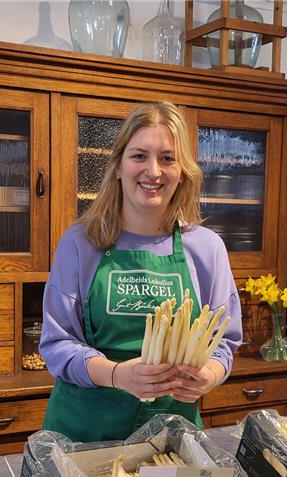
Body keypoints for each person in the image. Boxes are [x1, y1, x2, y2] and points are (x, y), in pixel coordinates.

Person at [40, 101, 243, 441]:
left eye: (167, 158)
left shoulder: (207, 248)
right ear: (118, 166)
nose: (154, 171)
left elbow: (223, 341)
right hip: (85, 431)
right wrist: (118, 374)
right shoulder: (80, 243)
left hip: (172, 433)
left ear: (183, 172)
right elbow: (58, 343)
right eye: (139, 156)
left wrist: (209, 374)